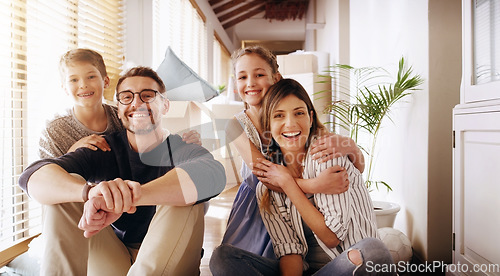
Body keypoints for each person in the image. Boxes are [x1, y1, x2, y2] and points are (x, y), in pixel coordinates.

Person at [18, 66, 226, 275]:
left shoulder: (183, 148)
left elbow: (213, 174)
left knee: (187, 192)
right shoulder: (104, 148)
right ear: (118, 108)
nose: (136, 103)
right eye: (127, 97)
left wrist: (127, 196)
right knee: (63, 192)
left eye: (148, 96)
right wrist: (90, 193)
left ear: (165, 106)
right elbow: (32, 176)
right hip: (115, 257)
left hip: (170, 260)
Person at [211, 78, 394, 276]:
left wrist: (288, 184)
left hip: (346, 266)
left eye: (299, 113)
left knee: (373, 251)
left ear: (310, 118)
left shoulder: (326, 156)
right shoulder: (269, 187)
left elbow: (331, 237)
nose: (290, 123)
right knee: (223, 257)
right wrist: (285, 182)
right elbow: (290, 252)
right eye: (279, 116)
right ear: (268, 126)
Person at [215, 46, 366, 260]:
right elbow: (268, 179)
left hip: (298, 203)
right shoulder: (236, 125)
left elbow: (355, 169)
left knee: (301, 251)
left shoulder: (295, 114)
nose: (250, 83)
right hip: (261, 203)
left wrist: (350, 146)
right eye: (242, 77)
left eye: (259, 74)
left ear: (276, 78)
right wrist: (316, 185)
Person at [39, 48, 200, 159]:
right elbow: (46, 177)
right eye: (74, 80)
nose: (83, 85)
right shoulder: (54, 131)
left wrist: (182, 144)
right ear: (64, 88)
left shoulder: (123, 115)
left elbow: (152, 140)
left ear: (106, 81)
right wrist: (73, 152)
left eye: (91, 77)